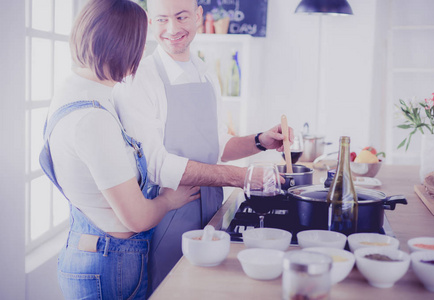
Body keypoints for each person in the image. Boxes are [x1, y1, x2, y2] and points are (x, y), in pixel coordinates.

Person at [113, 0, 293, 293]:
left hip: (211, 213)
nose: (172, 29)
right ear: (149, 22)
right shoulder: (138, 79)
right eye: (161, 20)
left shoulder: (206, 73)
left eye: (181, 16)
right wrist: (241, 178)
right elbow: (155, 165)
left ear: (198, 16)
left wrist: (260, 141)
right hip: (166, 217)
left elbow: (217, 143)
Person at [39, 0, 200, 299]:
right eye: (141, 44)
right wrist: (169, 199)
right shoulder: (93, 120)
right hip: (110, 265)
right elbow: (137, 218)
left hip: (92, 251)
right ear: (126, 48)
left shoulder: (73, 88)